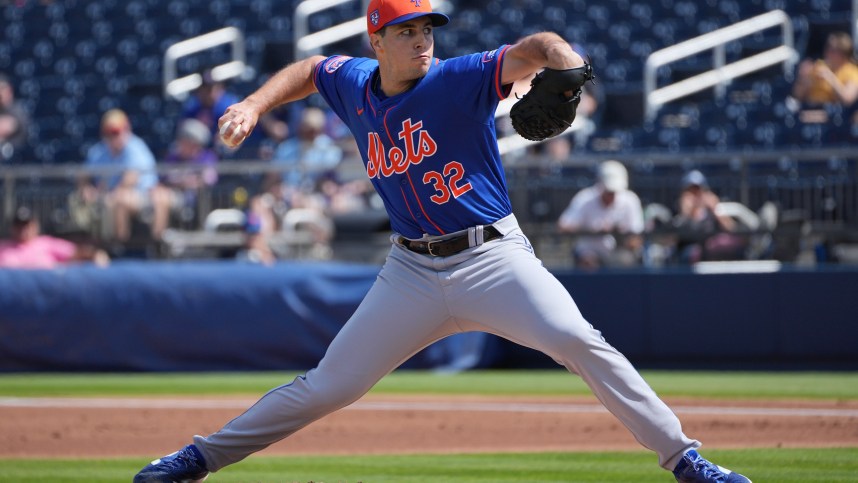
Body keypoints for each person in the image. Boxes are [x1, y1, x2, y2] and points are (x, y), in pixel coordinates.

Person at [134, 1, 752, 482]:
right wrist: (250, 102)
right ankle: (196, 461)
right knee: (329, 387)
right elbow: (310, 71)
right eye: (405, 30)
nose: (422, 38)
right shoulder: (355, 83)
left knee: (577, 340)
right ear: (376, 41)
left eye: (427, 27)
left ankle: (687, 461)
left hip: (493, 258)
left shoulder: (459, 78)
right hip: (410, 272)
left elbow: (537, 47)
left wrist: (565, 68)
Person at [84, 109, 158, 243]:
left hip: (143, 197)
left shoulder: (135, 147)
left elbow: (131, 179)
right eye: (109, 133)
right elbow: (83, 175)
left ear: (126, 129)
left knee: (119, 199)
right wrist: (86, 188)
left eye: (117, 132)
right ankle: (97, 246)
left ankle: (120, 245)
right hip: (109, 194)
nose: (113, 137)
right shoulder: (99, 151)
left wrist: (106, 195)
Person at [557, 160, 644, 270]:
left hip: (619, 253)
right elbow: (563, 226)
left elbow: (636, 239)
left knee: (624, 262)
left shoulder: (630, 200)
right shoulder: (585, 198)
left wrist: (619, 235)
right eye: (608, 192)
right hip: (589, 250)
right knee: (588, 263)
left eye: (613, 192)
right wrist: (594, 230)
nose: (611, 196)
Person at [150, 118, 219, 240]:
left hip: (193, 199)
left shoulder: (207, 157)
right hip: (171, 194)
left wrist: (182, 182)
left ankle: (157, 239)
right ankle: (157, 237)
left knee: (161, 199)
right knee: (159, 196)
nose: (181, 144)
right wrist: (183, 181)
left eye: (185, 141)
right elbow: (163, 179)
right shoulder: (173, 158)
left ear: (195, 143)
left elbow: (208, 180)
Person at [0, 206, 109, 269]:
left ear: (35, 226)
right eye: (19, 226)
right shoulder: (3, 247)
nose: (23, 230)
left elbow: (77, 253)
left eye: (27, 225)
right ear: (12, 228)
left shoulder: (46, 243)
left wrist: (95, 255)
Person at [672, 170, 745, 264]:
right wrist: (687, 213)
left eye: (698, 190)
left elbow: (731, 228)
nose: (695, 195)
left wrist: (716, 209)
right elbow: (673, 237)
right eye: (691, 191)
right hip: (689, 258)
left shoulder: (712, 211)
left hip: (712, 255)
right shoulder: (678, 211)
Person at [273, 106, 344, 191]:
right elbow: (274, 178)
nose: (310, 132)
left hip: (318, 195)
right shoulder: (286, 148)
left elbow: (329, 180)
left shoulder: (330, 149)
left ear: (320, 129)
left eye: (314, 129)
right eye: (306, 127)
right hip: (289, 193)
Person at [791, 31, 858, 108]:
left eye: (833, 50)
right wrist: (803, 79)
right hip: (810, 111)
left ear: (843, 53)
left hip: (835, 114)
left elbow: (847, 99)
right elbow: (797, 96)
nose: (827, 52)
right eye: (827, 47)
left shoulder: (853, 72)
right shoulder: (818, 67)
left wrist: (830, 78)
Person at [0, 72, 31, 163]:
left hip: (16, 161)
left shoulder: (17, 109)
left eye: (2, 89)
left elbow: (7, 126)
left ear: (9, 90)